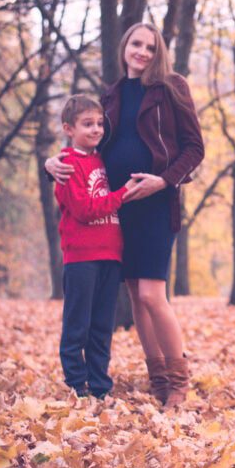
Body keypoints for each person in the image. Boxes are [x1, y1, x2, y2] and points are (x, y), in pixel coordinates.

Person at [46, 23, 204, 407]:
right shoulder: (112, 95)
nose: (143, 52)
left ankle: (179, 384)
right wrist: (53, 161)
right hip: (116, 210)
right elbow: (89, 143)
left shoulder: (171, 88)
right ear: (124, 47)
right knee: (135, 295)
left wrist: (164, 181)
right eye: (136, 44)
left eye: (151, 47)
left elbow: (193, 148)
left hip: (153, 204)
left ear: (159, 52)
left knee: (152, 293)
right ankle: (159, 381)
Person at [54, 95, 136, 399]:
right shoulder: (65, 166)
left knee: (103, 327)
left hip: (110, 255)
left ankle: (101, 386)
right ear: (68, 128)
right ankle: (77, 385)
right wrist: (122, 194)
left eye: (100, 123)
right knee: (78, 326)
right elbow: (85, 209)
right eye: (88, 124)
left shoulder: (103, 160)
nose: (96, 129)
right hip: (81, 258)